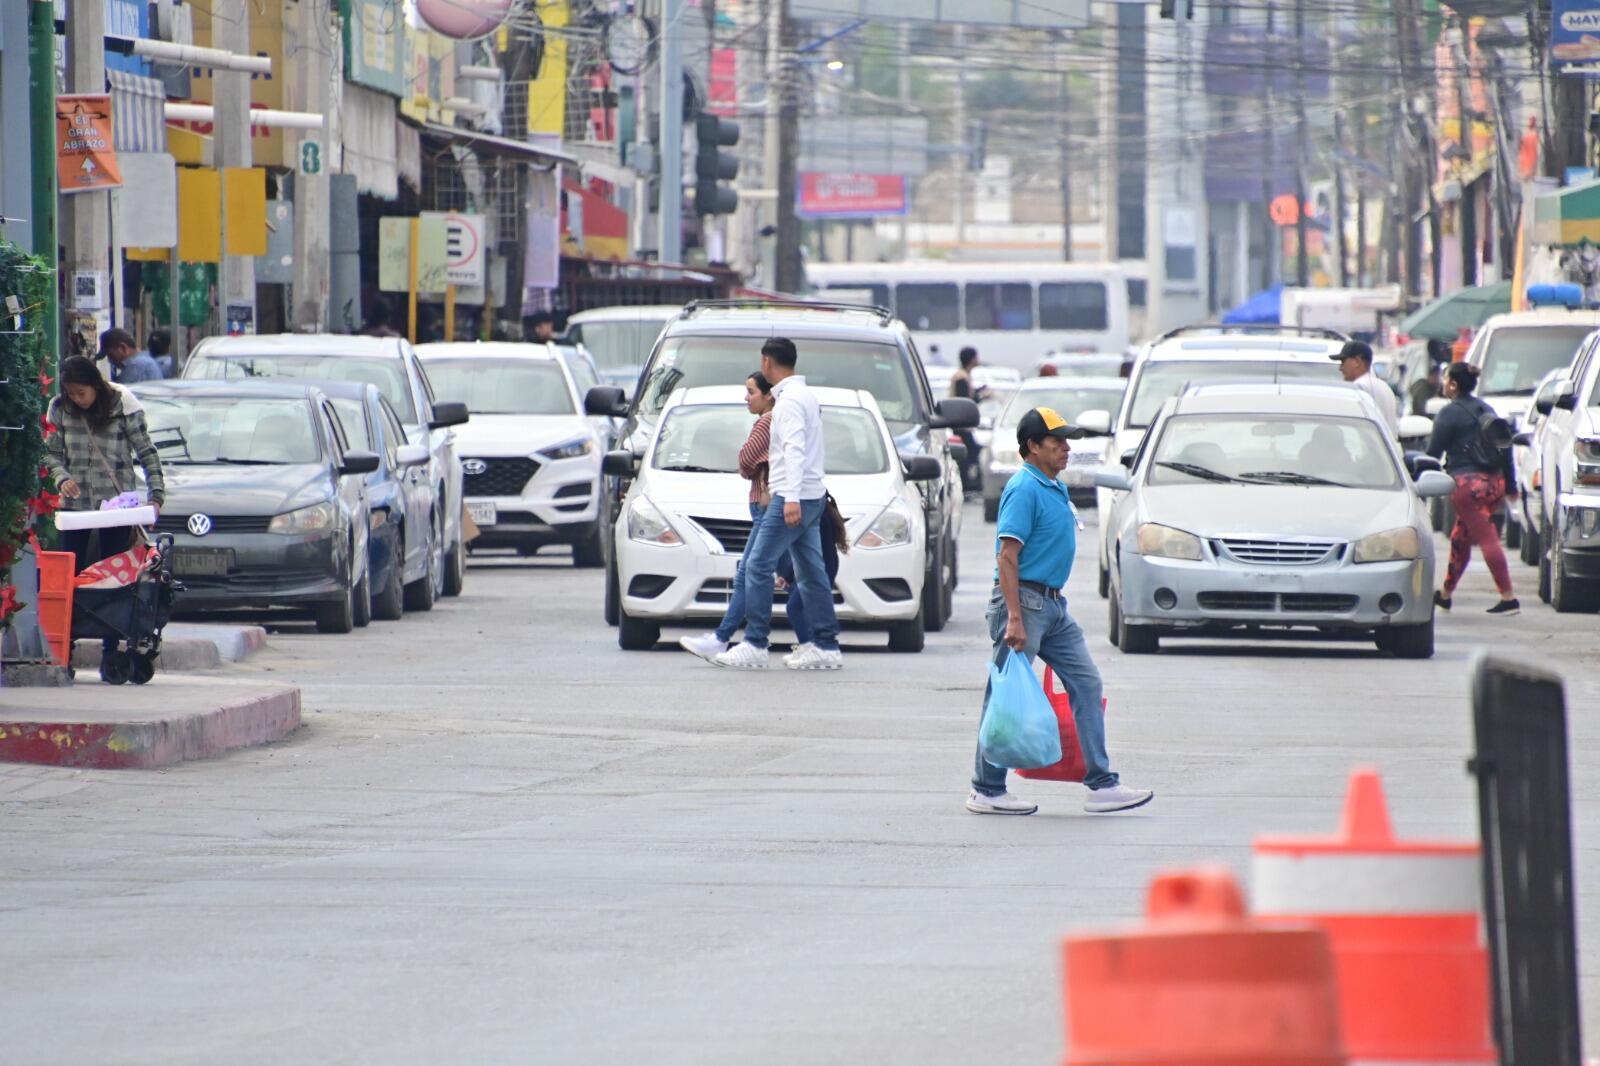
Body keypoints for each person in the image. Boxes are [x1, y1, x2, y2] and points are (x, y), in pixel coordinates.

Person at [967, 406, 1152, 816]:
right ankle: (987, 789)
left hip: (1052, 606)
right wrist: (1014, 617)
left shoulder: (1052, 485)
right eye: (1057, 443)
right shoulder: (1024, 488)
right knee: (1006, 693)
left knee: (1086, 684)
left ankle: (1101, 785)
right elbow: (1007, 558)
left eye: (1067, 442)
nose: (1066, 450)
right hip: (1025, 605)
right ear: (1032, 447)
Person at [714, 337, 843, 671]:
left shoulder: (787, 403)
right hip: (812, 494)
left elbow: (795, 450)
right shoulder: (806, 397)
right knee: (812, 572)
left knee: (757, 565)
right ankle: (826, 645)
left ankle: (755, 643)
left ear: (768, 363)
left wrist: (791, 497)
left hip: (793, 495)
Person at [680, 372, 775, 662]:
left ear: (768, 395)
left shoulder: (766, 422)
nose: (746, 398)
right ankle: (724, 638)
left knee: (752, 572)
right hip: (766, 506)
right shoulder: (777, 419)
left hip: (766, 506)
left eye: (751, 392)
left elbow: (745, 461)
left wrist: (753, 469)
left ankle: (733, 640)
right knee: (766, 572)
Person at [45, 356, 165, 572]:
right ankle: (76, 607)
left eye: (81, 393)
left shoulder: (123, 404)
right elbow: (51, 453)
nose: (77, 399)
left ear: (95, 385)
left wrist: (156, 496)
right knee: (70, 571)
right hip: (75, 507)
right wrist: (61, 477)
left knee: (114, 573)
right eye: (71, 393)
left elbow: (147, 452)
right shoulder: (60, 407)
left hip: (117, 507)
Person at [1427, 362, 1519, 616]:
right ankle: (1445, 594)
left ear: (1453, 384)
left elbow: (1433, 452)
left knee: (1487, 537)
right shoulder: (1486, 409)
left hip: (1467, 486)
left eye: (1446, 380)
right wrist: (1510, 484)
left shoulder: (1448, 413)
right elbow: (1505, 447)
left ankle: (1508, 597)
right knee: (1460, 537)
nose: (1443, 384)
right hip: (1494, 484)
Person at [1332, 340, 1399, 438]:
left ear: (1357, 361)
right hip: (1388, 449)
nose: (1340, 368)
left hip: (1369, 450)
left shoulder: (1359, 388)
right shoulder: (1383, 386)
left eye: (1343, 361)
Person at [950, 346, 986, 494]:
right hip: (961, 425)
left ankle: (969, 484)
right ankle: (969, 484)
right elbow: (964, 400)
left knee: (968, 454)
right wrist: (979, 397)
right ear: (971, 359)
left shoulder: (963, 375)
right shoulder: (961, 378)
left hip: (962, 424)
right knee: (968, 454)